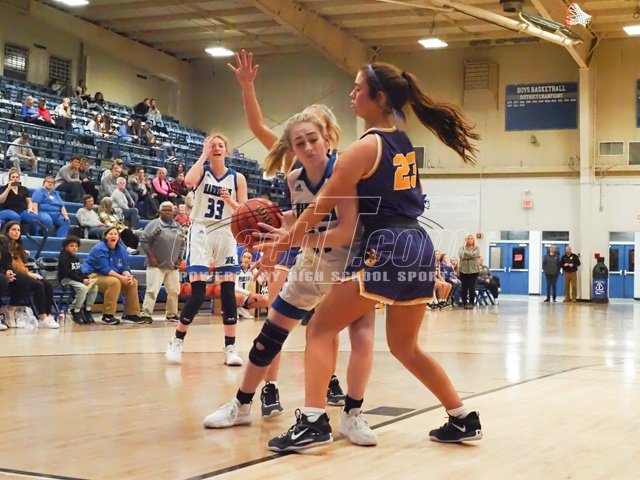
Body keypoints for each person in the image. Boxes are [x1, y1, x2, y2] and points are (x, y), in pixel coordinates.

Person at [263, 61, 482, 451]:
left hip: (389, 243)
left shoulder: (364, 147)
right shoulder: (403, 141)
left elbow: (319, 207)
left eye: (357, 88)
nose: (351, 94)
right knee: (405, 347)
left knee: (320, 328)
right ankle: (462, 417)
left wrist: (286, 240)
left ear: (378, 97)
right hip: (418, 243)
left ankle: (313, 422)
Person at [202, 112, 377, 449]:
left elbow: (346, 231)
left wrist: (291, 239)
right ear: (292, 149)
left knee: (362, 339)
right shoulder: (295, 177)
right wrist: (268, 224)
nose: (308, 147)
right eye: (300, 142)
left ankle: (353, 415)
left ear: (326, 138)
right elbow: (301, 217)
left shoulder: (342, 172)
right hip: (312, 263)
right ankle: (241, 404)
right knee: (269, 335)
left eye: (313, 139)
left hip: (350, 265)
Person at [223, 50, 347, 408]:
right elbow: (257, 127)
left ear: (327, 132)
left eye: (315, 125)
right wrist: (247, 87)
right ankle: (270, 386)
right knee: (277, 317)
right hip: (294, 242)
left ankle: (329, 380)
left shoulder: (342, 167)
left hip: (332, 249)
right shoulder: (294, 159)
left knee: (325, 323)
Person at [164, 133, 248, 367]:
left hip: (226, 231)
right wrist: (203, 155)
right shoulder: (202, 171)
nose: (217, 148)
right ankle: (177, 340)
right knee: (199, 292)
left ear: (227, 150)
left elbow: (244, 211)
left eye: (221, 145)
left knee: (228, 291)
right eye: (213, 146)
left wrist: (231, 202)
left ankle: (230, 347)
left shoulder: (238, 178)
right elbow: (188, 183)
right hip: (201, 229)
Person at [82, 227, 147, 325]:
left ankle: (131, 314)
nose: (113, 236)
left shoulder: (121, 249)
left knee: (133, 282)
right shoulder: (99, 248)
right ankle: (107, 315)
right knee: (114, 282)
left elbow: (124, 267)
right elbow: (105, 270)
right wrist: (121, 278)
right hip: (92, 276)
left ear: (118, 237)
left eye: (115, 234)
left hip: (112, 276)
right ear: (105, 236)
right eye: (110, 234)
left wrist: (128, 276)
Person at [4, 222, 60, 328]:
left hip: (22, 274)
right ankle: (41, 318)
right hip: (11, 275)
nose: (16, 232)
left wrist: (23, 255)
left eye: (18, 230)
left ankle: (48, 316)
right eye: (13, 229)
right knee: (38, 285)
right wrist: (29, 273)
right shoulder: (4, 245)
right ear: (7, 231)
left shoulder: (18, 246)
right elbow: (12, 265)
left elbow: (21, 264)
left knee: (47, 284)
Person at [139, 202, 185, 322]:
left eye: (169, 210)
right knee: (152, 290)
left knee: (174, 291)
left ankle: (171, 313)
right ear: (159, 212)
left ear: (173, 212)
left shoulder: (178, 227)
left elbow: (182, 244)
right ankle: (146, 314)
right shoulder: (153, 225)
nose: (167, 212)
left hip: (172, 265)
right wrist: (151, 257)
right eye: (164, 210)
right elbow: (143, 241)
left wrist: (180, 258)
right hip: (156, 265)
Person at [58, 236, 98, 324]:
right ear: (65, 247)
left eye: (76, 246)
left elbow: (78, 272)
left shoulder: (75, 258)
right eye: (71, 246)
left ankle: (87, 309)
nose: (74, 248)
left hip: (75, 279)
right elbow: (68, 273)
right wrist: (82, 280)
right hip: (66, 279)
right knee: (82, 288)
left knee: (94, 288)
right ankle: (75, 310)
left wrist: (85, 278)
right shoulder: (63, 258)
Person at [458, 235, 480, 310]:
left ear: (473, 240)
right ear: (465, 240)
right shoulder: (462, 248)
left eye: (471, 239)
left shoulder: (476, 248)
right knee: (464, 288)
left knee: (472, 288)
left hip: (474, 271)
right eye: (468, 239)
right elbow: (461, 255)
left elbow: (475, 255)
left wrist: (466, 253)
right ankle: (464, 302)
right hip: (463, 271)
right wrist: (469, 255)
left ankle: (471, 303)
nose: (470, 240)